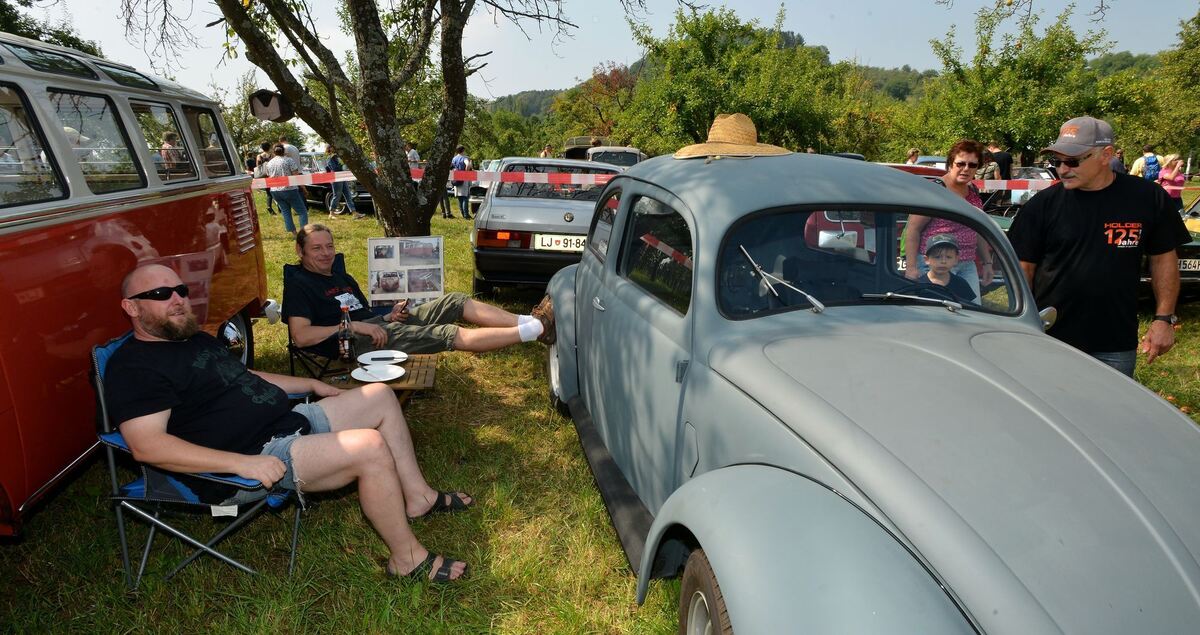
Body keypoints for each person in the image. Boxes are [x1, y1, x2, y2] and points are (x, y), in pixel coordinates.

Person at [105, 263, 472, 582]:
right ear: (131, 307)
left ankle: (419, 497)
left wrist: (310, 384)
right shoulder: (134, 367)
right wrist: (241, 463)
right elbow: (147, 446)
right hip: (249, 457)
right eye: (161, 294)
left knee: (379, 395)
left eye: (181, 290)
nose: (177, 299)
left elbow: (244, 376)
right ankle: (406, 559)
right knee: (369, 448)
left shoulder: (195, 340)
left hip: (285, 421)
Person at [1007, 116, 1190, 377]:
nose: (1062, 169)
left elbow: (1163, 259)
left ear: (1106, 155)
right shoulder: (1041, 206)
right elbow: (1023, 269)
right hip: (1049, 338)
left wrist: (1163, 319)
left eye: (1072, 161)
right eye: (1056, 162)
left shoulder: (1148, 198)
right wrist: (1021, 324)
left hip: (1114, 343)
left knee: (1110, 405)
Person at [284, 224, 555, 358]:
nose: (326, 253)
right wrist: (353, 327)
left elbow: (363, 314)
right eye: (317, 248)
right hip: (350, 343)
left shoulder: (342, 277)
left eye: (329, 246)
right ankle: (536, 330)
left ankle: (528, 320)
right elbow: (301, 337)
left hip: (375, 327)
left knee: (454, 300)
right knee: (446, 333)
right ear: (300, 250)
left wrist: (389, 316)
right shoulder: (300, 284)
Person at [903, 139, 994, 301]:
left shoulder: (973, 190)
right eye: (961, 164)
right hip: (936, 264)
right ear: (951, 163)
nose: (966, 169)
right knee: (940, 313)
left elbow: (977, 229)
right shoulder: (935, 190)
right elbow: (913, 229)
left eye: (972, 165)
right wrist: (911, 267)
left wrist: (987, 263)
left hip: (967, 264)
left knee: (972, 311)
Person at [264, 143, 308, 233]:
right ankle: (303, 232)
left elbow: (268, 176)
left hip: (275, 191)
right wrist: (304, 188)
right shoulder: (289, 160)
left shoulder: (269, 163)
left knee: (285, 212)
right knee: (302, 211)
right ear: (283, 151)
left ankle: (294, 233)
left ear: (274, 152)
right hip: (290, 190)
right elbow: (296, 176)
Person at [919, 234, 976, 301]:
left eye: (948, 257)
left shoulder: (961, 284)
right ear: (927, 259)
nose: (943, 261)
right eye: (937, 257)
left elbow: (969, 306)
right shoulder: (919, 285)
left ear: (956, 259)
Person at [323, 144, 364, 219]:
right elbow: (335, 168)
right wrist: (343, 166)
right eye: (332, 147)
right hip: (336, 178)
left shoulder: (337, 156)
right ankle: (331, 214)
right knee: (337, 196)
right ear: (329, 148)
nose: (334, 148)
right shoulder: (330, 158)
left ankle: (354, 213)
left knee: (348, 195)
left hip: (342, 177)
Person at [450, 145, 472, 219]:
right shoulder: (464, 158)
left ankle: (462, 213)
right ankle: (466, 215)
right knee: (465, 197)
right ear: (463, 150)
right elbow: (468, 164)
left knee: (459, 197)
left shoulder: (454, 158)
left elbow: (451, 167)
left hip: (456, 178)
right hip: (463, 178)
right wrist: (466, 172)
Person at [255, 141, 276, 215]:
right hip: (271, 175)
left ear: (262, 148)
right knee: (275, 191)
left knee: (268, 193)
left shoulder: (259, 156)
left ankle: (269, 206)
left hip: (264, 176)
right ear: (269, 147)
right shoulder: (272, 155)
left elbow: (258, 166)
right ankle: (279, 208)